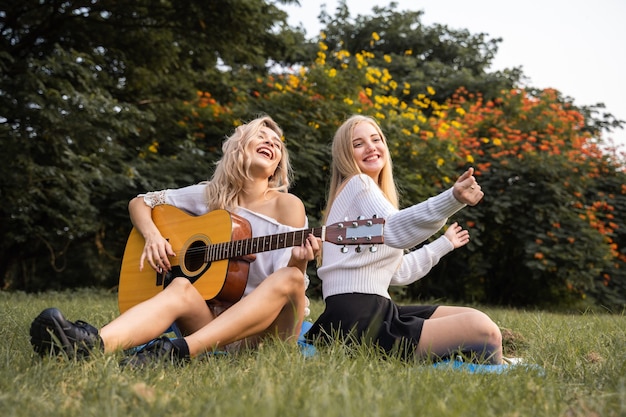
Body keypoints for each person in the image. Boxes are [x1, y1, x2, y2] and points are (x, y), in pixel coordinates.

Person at [30, 115, 319, 367]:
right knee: (180, 284)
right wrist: (153, 236)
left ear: (277, 165)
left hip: (264, 336)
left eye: (277, 144)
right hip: (211, 325)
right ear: (238, 146)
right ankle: (88, 345)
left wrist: (300, 260)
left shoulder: (288, 205)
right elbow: (140, 202)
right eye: (261, 135)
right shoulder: (211, 195)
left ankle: (178, 351)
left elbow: (290, 291)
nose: (272, 143)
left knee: (292, 277)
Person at [305, 114, 504, 364]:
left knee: (474, 317)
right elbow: (396, 230)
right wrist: (452, 199)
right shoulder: (359, 185)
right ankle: (495, 370)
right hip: (357, 317)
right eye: (358, 144)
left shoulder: (372, 197)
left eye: (376, 139)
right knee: (483, 329)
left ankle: (485, 363)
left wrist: (444, 244)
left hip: (375, 308)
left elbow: (398, 273)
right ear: (346, 155)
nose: (371, 147)